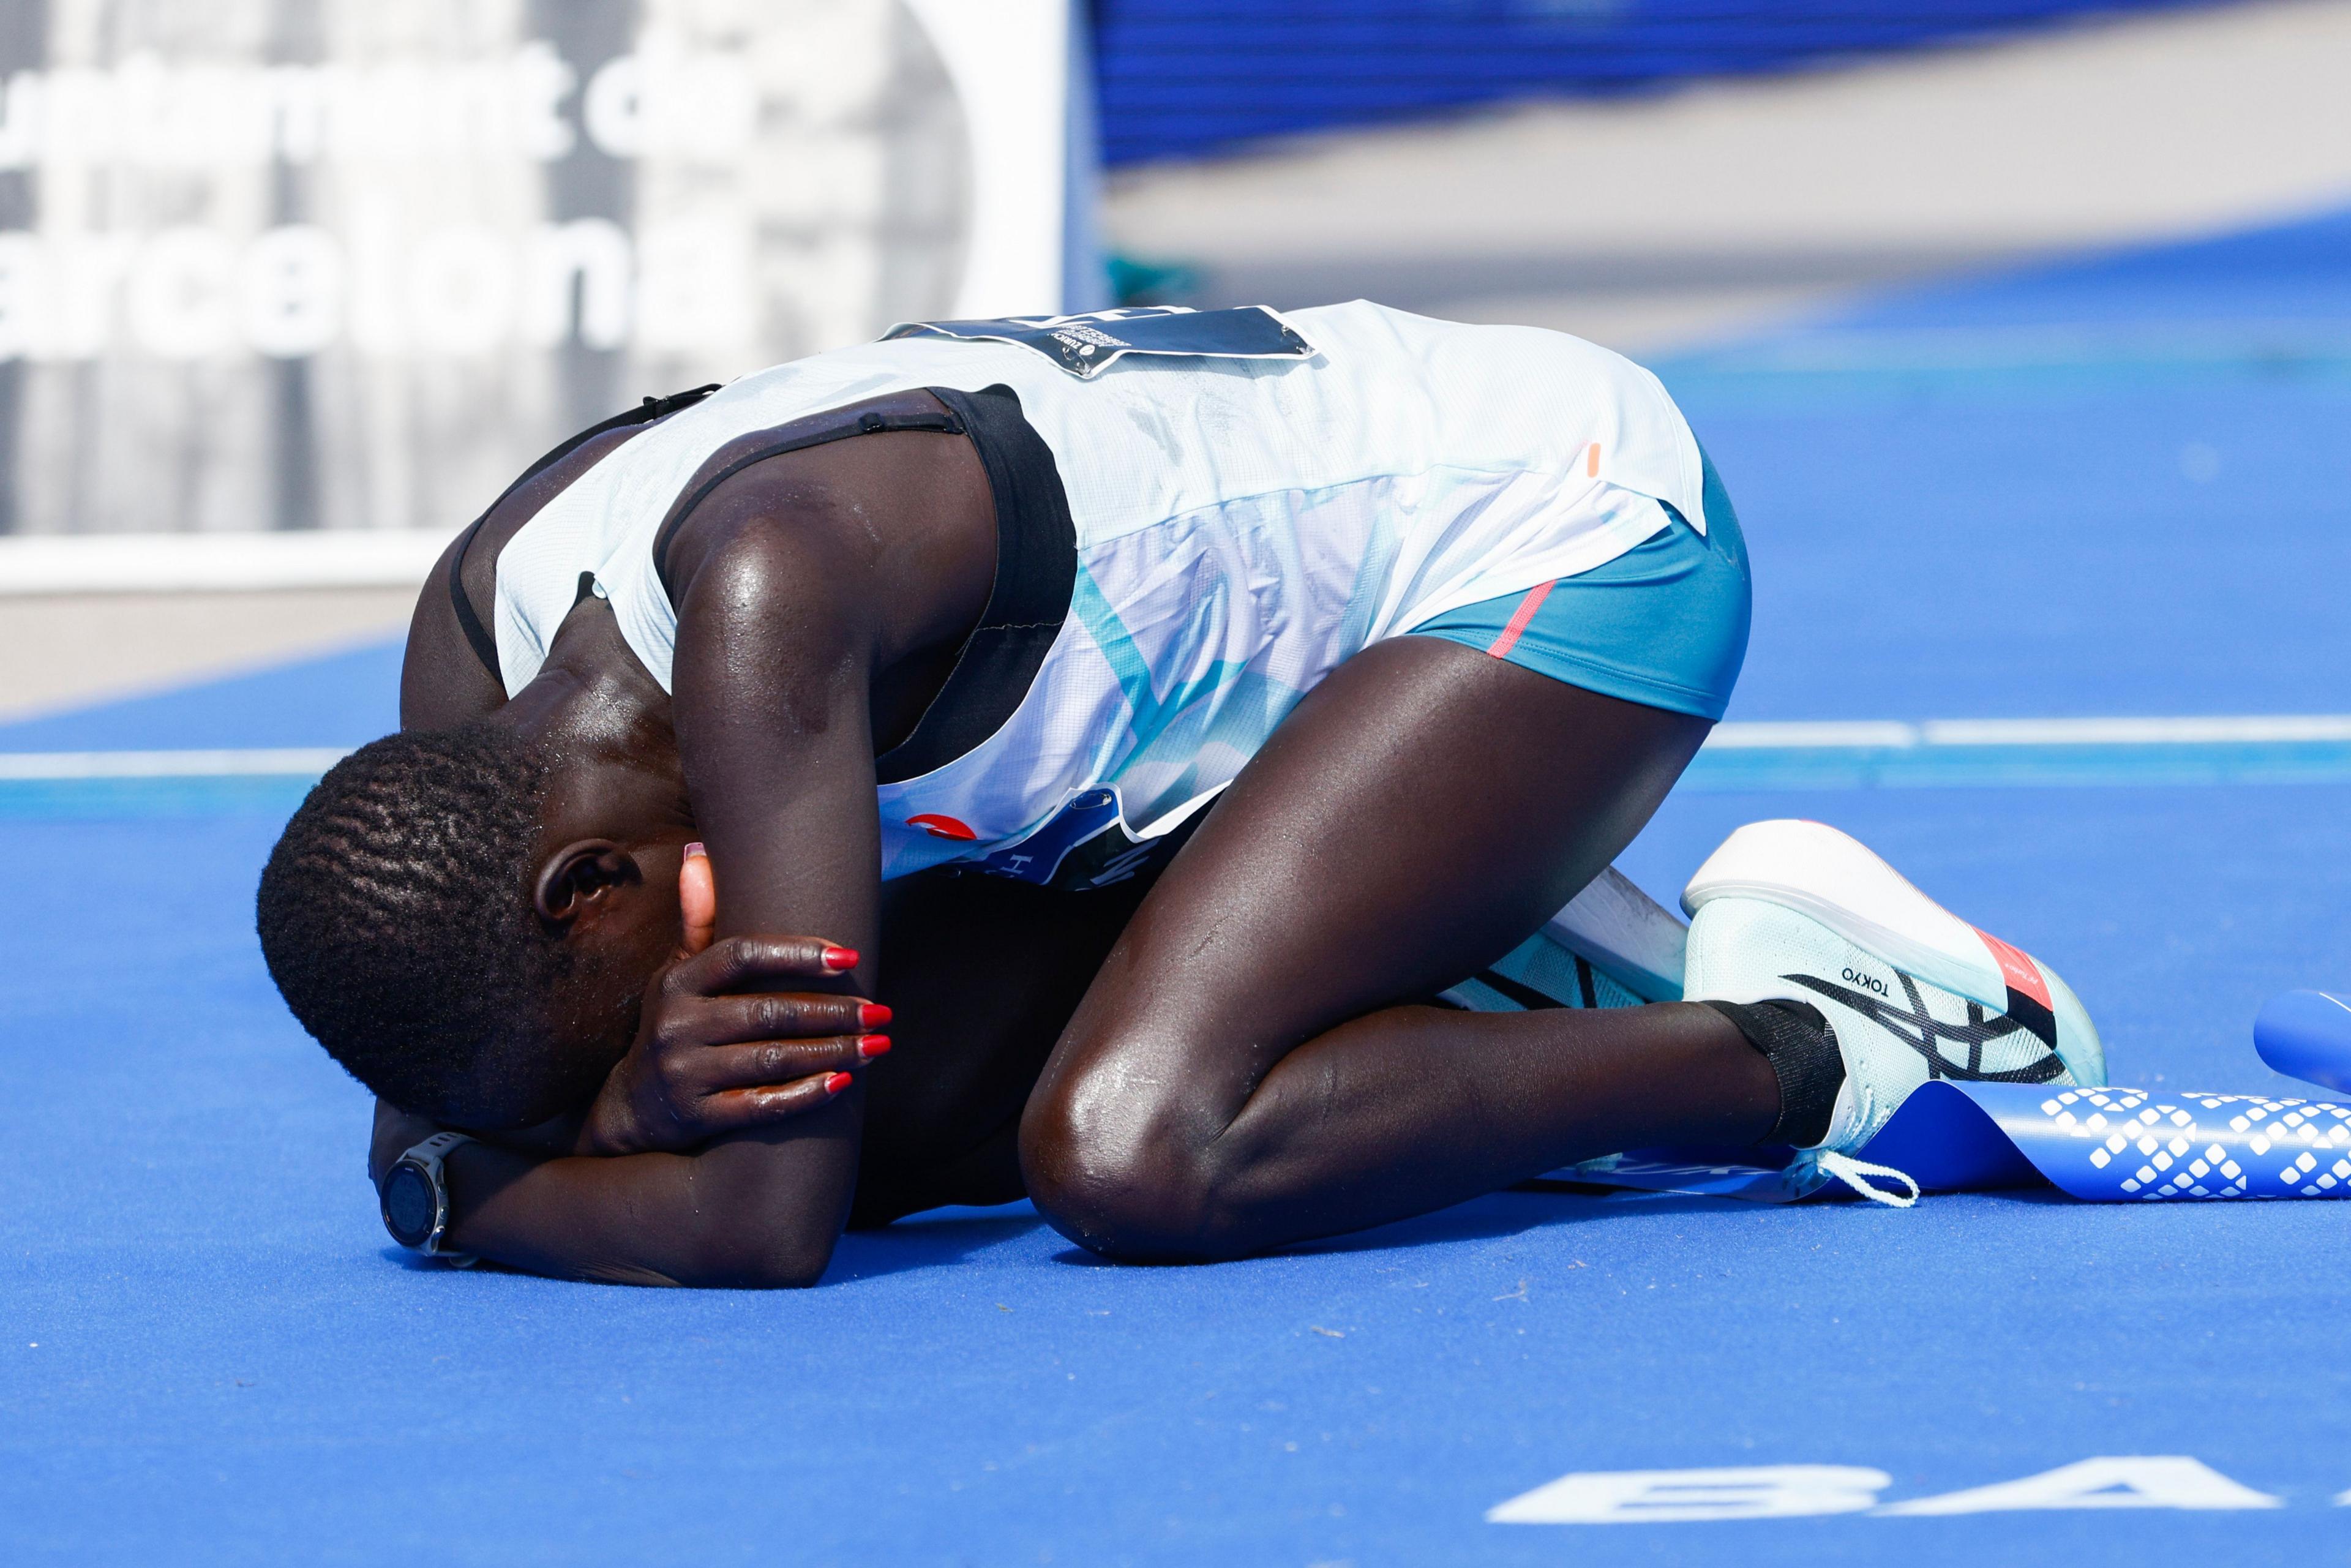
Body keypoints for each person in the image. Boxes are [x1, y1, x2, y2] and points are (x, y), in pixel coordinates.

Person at [255, 302, 2102, 1287]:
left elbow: (760, 1226)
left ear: (589, 882)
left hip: (1567, 536)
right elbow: (425, 1113)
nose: (611, 1087)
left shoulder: (761, 611)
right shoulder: (478, 682)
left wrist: (493, 1191)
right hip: (1240, 735)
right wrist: (560, 1125)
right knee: (847, 1110)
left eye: (601, 1034)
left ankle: (1818, 1043)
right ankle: (1448, 965)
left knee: (1136, 1148)